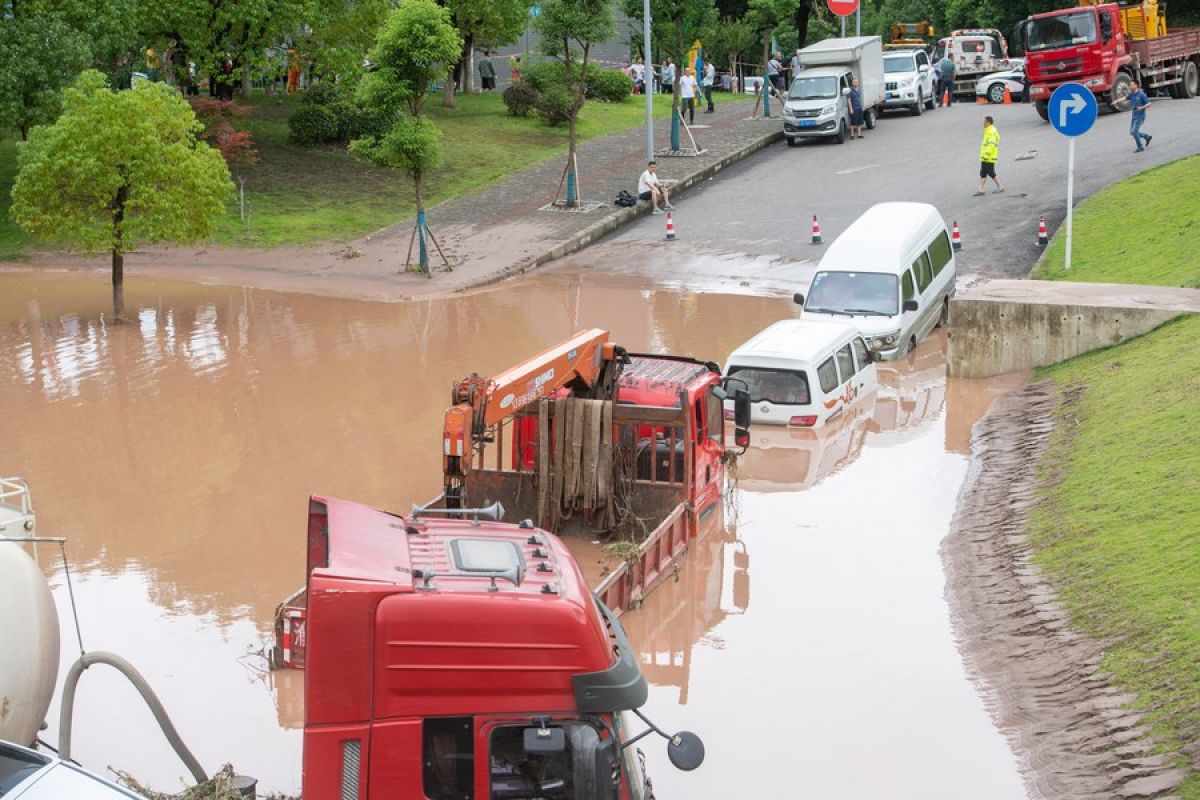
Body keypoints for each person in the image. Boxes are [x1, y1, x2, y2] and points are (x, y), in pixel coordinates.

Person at [975, 115, 1004, 195]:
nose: (983, 123)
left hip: (989, 156)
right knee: (983, 173)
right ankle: (981, 189)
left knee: (991, 173)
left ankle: (1000, 187)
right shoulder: (988, 130)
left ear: (989, 122)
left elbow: (991, 145)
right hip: (985, 156)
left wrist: (986, 154)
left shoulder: (992, 132)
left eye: (984, 122)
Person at [1126, 80, 1153, 152]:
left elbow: (1149, 104)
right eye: (1130, 84)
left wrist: (1141, 108)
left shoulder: (1141, 94)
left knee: (1134, 132)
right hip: (1134, 117)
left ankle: (1140, 147)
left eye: (1132, 84)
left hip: (1140, 117)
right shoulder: (1131, 94)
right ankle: (1147, 137)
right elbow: (1124, 98)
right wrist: (1116, 101)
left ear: (1136, 85)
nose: (1130, 86)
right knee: (1132, 132)